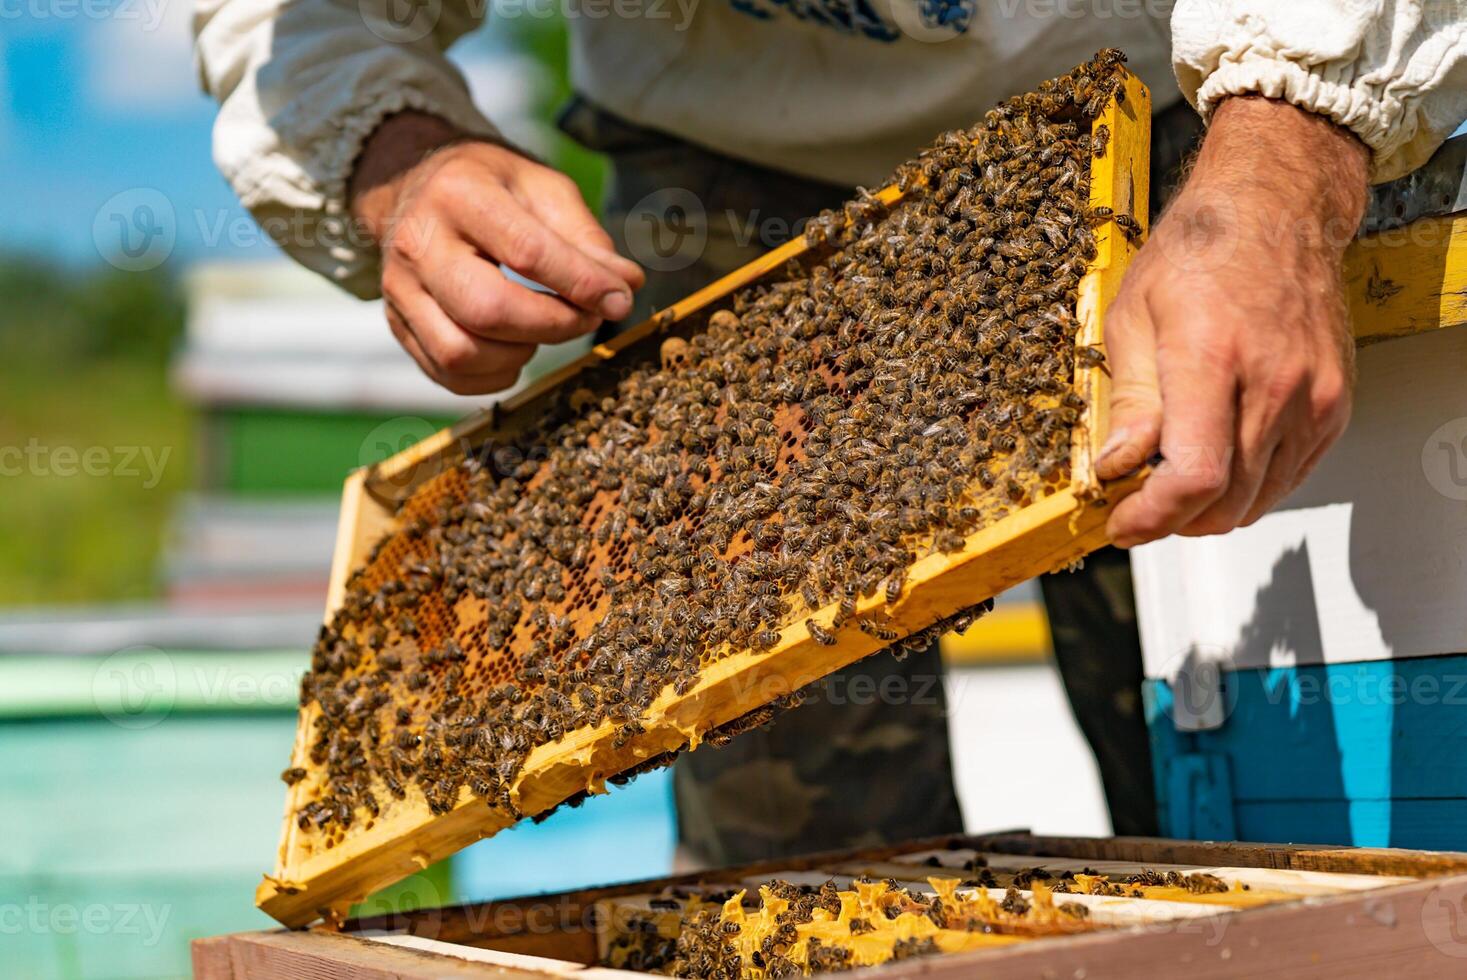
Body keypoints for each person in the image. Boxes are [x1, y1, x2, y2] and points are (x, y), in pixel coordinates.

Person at [195, 0, 1467, 865]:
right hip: (730, 165)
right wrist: (400, 153)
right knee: (791, 875)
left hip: (1212, 95)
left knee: (1301, 799)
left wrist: (1289, 167)